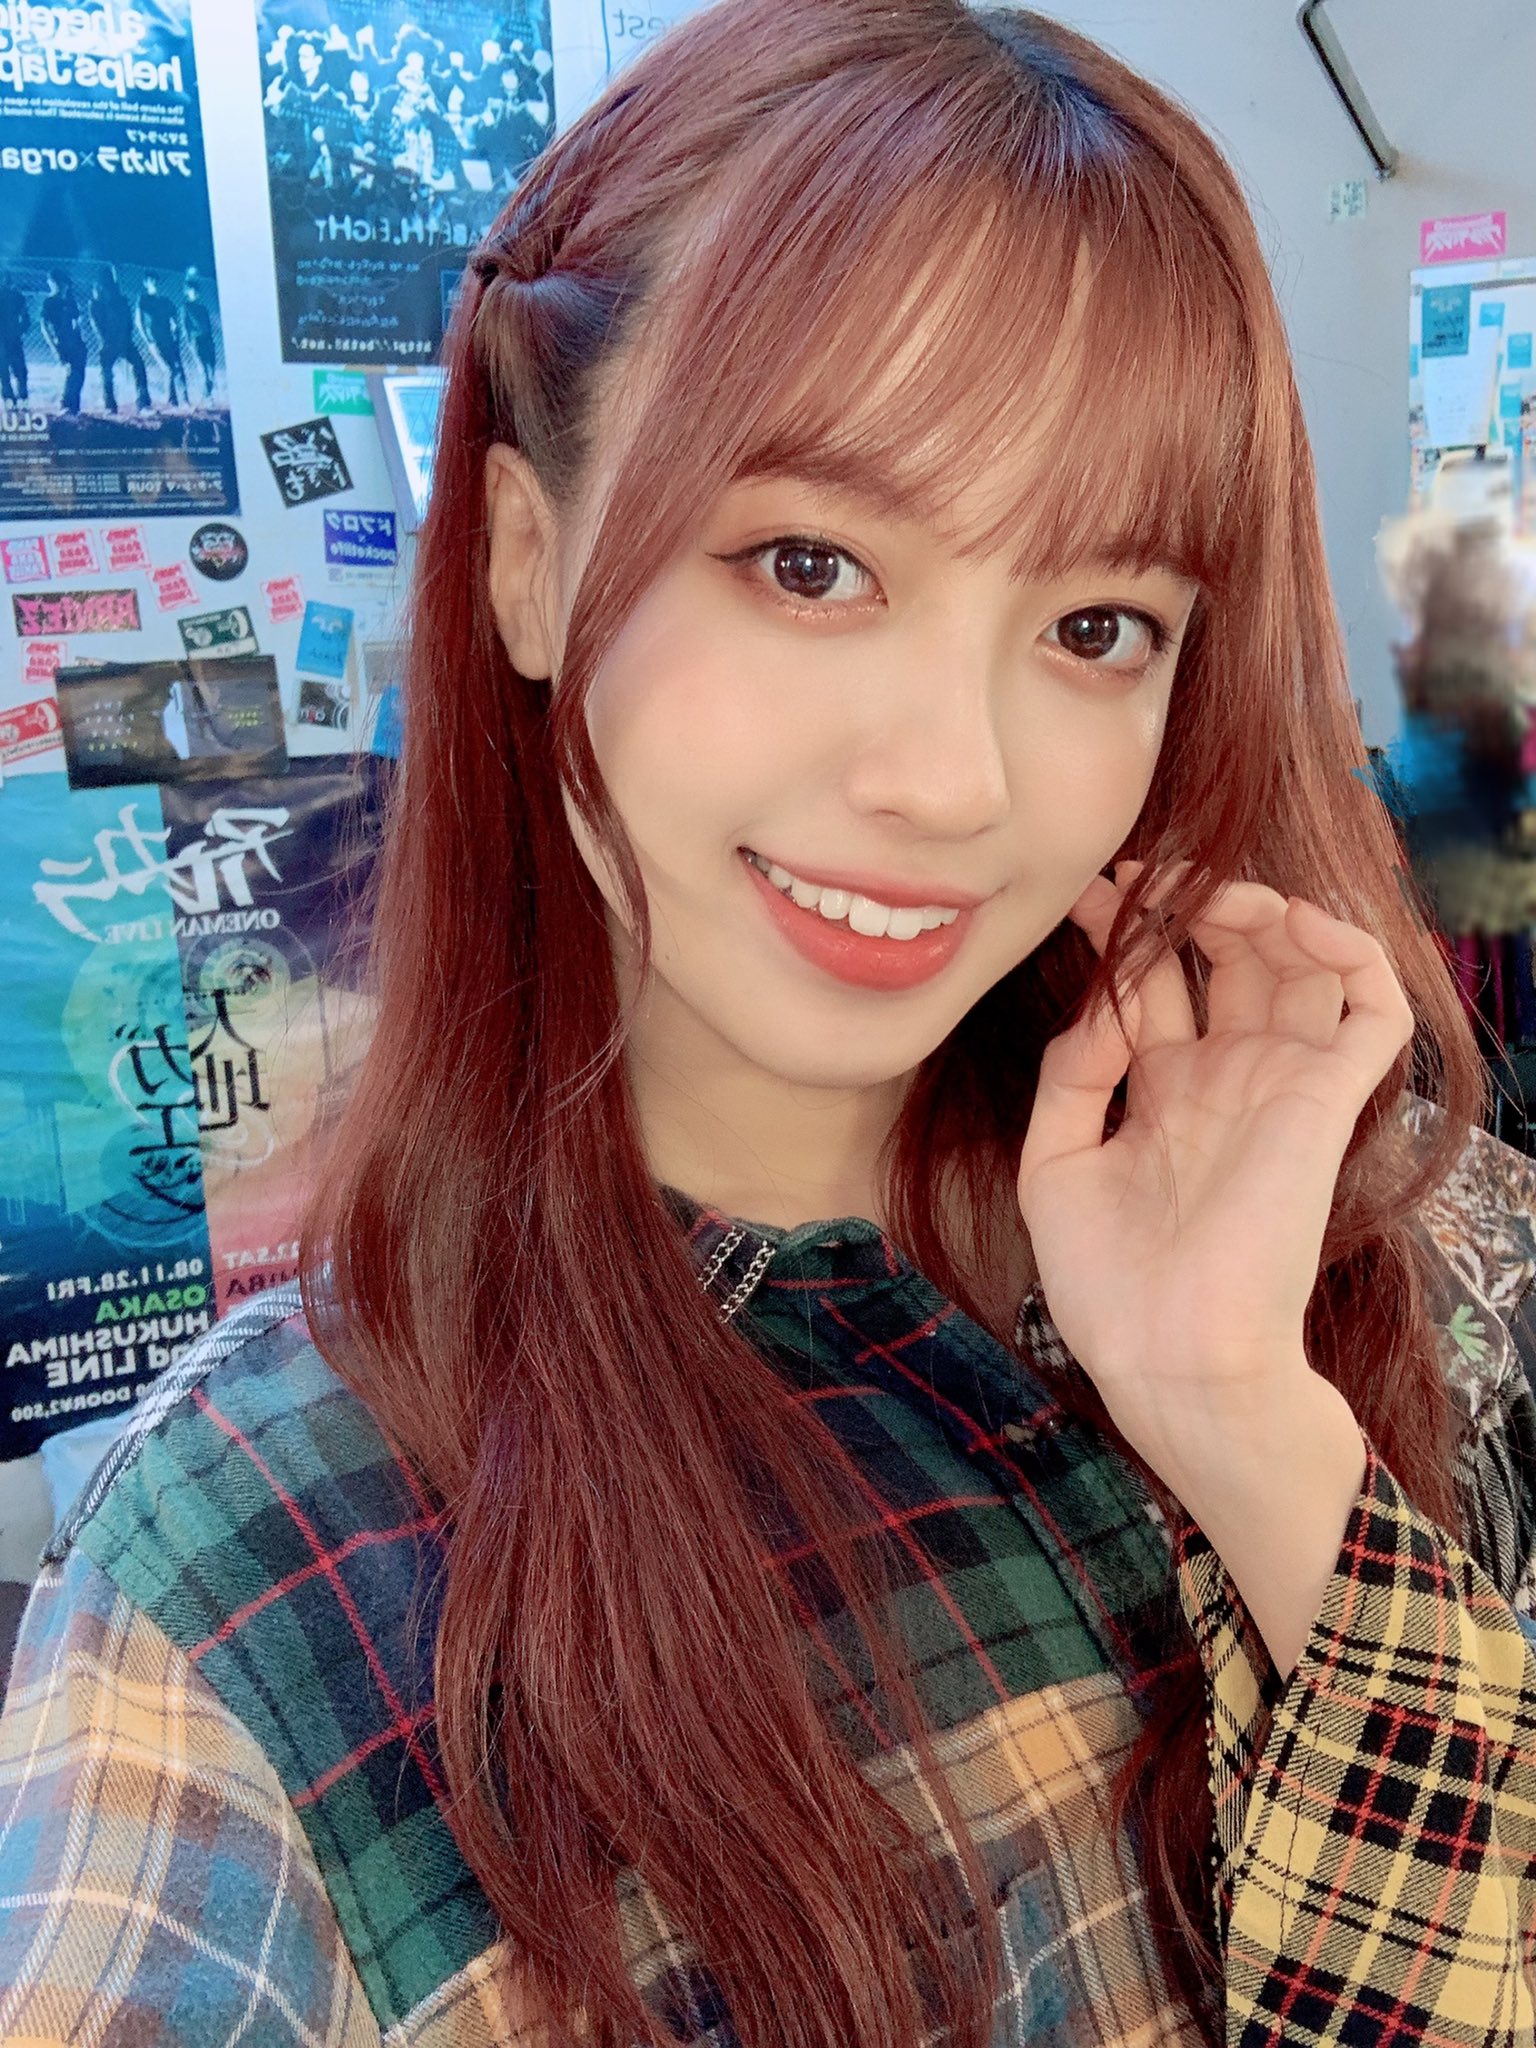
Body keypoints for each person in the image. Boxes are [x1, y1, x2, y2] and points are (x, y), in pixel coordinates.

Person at [2, 4, 1535, 2046]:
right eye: (809, 564)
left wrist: (1237, 1404)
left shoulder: (1253, 1288)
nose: (957, 780)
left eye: (1096, 627)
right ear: (528, 565)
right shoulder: (252, 1575)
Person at [90, 263, 151, 413]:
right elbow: (97, 322)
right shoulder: (101, 300)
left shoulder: (116, 299)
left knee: (133, 366)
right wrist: (106, 340)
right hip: (113, 341)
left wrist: (124, 336)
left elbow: (126, 320)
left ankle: (136, 403)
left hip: (121, 340)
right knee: (108, 372)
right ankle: (113, 405)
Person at [39, 268, 87, 415]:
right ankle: (65, 404)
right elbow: (44, 326)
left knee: (79, 374)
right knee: (71, 371)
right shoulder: (49, 302)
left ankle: (74, 407)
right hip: (62, 342)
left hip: (76, 342)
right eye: (60, 283)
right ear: (53, 283)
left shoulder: (70, 301)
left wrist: (81, 338)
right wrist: (53, 346)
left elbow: (77, 321)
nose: (64, 287)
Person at [136, 274, 187, 406]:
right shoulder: (143, 299)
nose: (155, 283)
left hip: (168, 339)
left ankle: (182, 400)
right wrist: (148, 340)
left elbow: (174, 318)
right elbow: (139, 322)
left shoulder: (165, 301)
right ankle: (170, 400)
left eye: (156, 280)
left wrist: (175, 330)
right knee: (168, 369)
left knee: (177, 368)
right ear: (146, 284)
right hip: (155, 340)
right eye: (151, 281)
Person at [180, 274, 217, 401]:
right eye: (192, 290)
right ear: (187, 292)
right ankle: (207, 397)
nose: (195, 293)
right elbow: (185, 326)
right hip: (196, 341)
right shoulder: (185, 307)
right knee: (203, 369)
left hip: (208, 340)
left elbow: (208, 325)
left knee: (211, 369)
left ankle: (207, 394)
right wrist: (190, 342)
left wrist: (211, 339)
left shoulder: (203, 308)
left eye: (196, 290)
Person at [0, 270, 28, 401]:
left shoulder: (16, 296)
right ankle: (21, 397)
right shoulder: (17, 296)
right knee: (18, 371)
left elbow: (25, 318)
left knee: (4, 371)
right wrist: (19, 330)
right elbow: (26, 318)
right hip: (12, 337)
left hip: (8, 338)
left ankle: (11, 399)